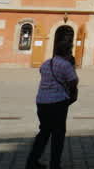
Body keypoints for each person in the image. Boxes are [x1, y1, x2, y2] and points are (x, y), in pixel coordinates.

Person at [26, 38, 79, 169]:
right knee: (58, 135)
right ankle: (55, 164)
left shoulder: (45, 63)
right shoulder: (66, 65)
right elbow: (73, 81)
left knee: (43, 132)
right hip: (58, 103)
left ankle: (32, 161)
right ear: (67, 52)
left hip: (42, 102)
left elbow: (43, 75)